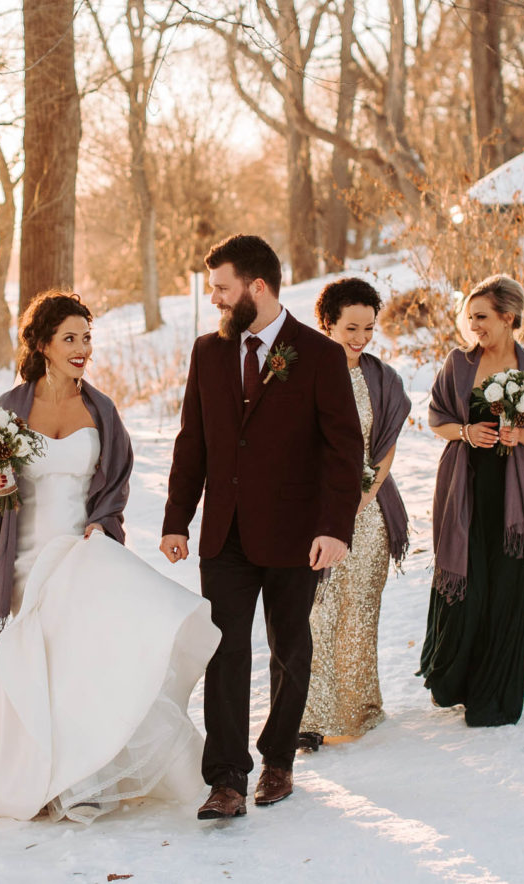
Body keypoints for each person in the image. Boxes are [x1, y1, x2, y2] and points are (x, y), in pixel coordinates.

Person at [0, 293, 220, 837]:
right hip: (22, 556)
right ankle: (40, 778)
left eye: (87, 338)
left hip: (81, 554)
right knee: (36, 665)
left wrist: (103, 525)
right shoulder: (9, 408)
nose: (82, 349)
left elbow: (116, 485)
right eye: (70, 339)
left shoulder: (102, 411)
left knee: (83, 663)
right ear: (42, 345)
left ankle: (85, 782)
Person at [160, 235, 362, 820]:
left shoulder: (319, 356)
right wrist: (178, 518)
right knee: (223, 651)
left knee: (290, 648)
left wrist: (335, 527)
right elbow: (191, 441)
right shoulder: (208, 352)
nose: (216, 301)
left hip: (299, 533)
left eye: (222, 289)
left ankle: (278, 759)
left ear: (257, 287)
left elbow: (343, 452)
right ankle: (226, 778)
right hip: (225, 533)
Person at [419, 277, 524, 727]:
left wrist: (522, 435)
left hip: (510, 496)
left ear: (507, 317)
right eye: (470, 316)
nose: (472, 325)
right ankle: (454, 681)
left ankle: (495, 696)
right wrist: (465, 432)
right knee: (468, 587)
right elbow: (437, 416)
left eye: (481, 317)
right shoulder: (458, 364)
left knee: (505, 590)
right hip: (463, 489)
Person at [298, 279, 411, 750]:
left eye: (368, 327)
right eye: (351, 327)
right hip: (313, 509)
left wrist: (361, 496)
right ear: (326, 324)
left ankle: (356, 709)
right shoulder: (303, 373)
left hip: (369, 512)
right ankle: (308, 716)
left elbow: (384, 450)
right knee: (314, 612)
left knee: (359, 612)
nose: (361, 337)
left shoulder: (381, 378)